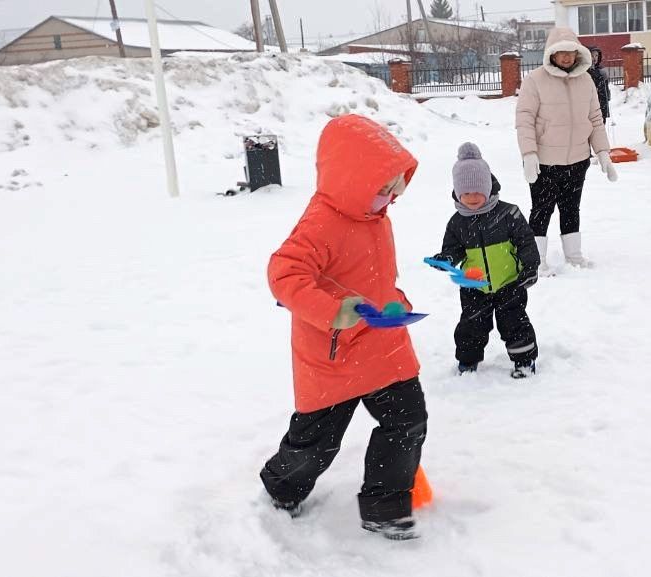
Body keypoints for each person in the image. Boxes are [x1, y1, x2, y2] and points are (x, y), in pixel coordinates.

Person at [261, 114, 428, 541]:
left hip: (383, 345)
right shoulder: (322, 222)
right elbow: (284, 274)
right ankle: (281, 488)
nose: (391, 197)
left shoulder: (377, 218)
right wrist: (335, 311)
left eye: (396, 187)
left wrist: (396, 305)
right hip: (333, 355)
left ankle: (385, 508)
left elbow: (376, 279)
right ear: (351, 181)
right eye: (382, 188)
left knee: (407, 422)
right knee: (316, 444)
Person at [430, 143, 540, 379]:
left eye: (477, 191)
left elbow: (526, 241)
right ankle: (467, 362)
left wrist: (530, 266)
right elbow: (454, 249)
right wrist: (446, 258)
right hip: (473, 287)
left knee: (514, 323)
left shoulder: (508, 214)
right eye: (465, 193)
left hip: (509, 283)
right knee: (471, 326)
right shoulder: (457, 222)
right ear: (458, 193)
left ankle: (524, 360)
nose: (472, 198)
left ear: (488, 187)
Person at [516, 27, 618, 275]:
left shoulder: (586, 80)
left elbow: (595, 118)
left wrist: (602, 152)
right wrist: (529, 154)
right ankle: (536, 259)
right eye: (560, 52)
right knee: (542, 209)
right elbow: (524, 119)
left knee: (571, 208)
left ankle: (574, 255)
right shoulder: (535, 80)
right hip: (546, 161)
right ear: (551, 53)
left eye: (570, 52)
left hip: (578, 159)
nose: (566, 57)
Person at [587, 46, 612, 122]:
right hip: (590, 108)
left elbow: (605, 89)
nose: (594, 58)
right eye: (591, 55)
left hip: (602, 106)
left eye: (596, 55)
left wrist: (607, 96)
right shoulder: (585, 72)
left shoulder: (601, 71)